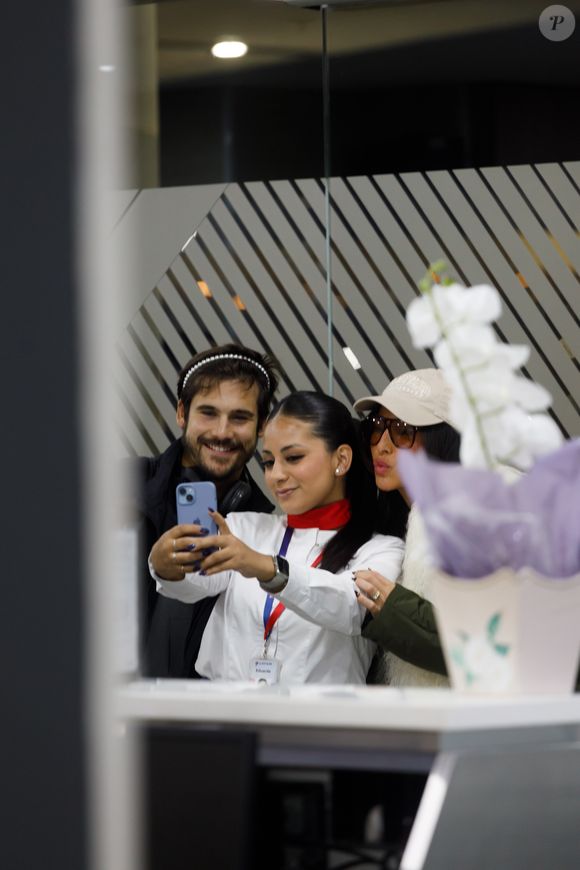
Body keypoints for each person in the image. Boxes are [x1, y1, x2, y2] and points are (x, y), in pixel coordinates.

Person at [150, 392, 405, 684]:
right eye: (269, 462)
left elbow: (353, 609)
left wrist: (267, 568)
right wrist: (166, 566)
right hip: (225, 715)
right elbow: (197, 583)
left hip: (318, 723)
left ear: (341, 460)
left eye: (293, 458)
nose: (277, 475)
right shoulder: (242, 528)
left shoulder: (384, 549)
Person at [135, 343, 280, 678]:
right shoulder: (119, 489)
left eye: (240, 417)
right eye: (208, 413)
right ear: (182, 413)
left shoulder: (267, 526)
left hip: (210, 713)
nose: (222, 432)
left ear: (261, 426)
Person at [352, 369, 461, 687]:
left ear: (444, 439)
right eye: (376, 426)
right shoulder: (389, 526)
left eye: (402, 430)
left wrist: (395, 610)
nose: (382, 445)